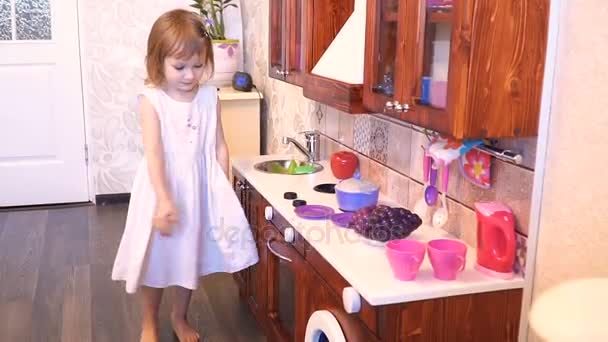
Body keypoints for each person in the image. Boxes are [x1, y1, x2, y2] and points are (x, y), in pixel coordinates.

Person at [111, 9, 259, 342]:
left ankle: (180, 317)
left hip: (198, 190)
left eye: (197, 65)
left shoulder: (210, 97)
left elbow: (221, 146)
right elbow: (154, 153)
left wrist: (224, 188)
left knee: (188, 256)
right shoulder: (152, 101)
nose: (190, 75)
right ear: (158, 63)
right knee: (157, 259)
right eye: (179, 67)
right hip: (162, 189)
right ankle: (149, 320)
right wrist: (164, 199)